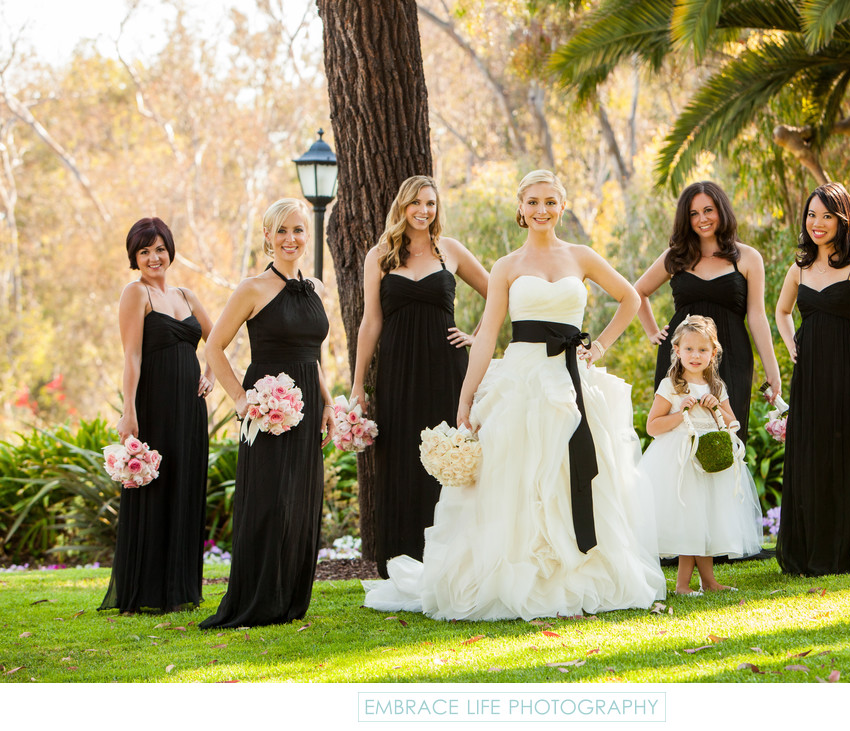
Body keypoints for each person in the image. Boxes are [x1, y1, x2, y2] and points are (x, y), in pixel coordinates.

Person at [363, 170, 665, 620]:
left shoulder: (581, 256)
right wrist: (466, 398)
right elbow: (487, 337)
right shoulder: (506, 266)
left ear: (561, 206)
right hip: (522, 377)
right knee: (516, 475)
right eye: (533, 202)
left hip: (569, 379)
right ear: (520, 209)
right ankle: (519, 572)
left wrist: (598, 346)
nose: (542, 210)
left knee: (573, 474)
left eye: (550, 202)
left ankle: (578, 571)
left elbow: (631, 299)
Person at [199, 199, 336, 629]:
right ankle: (258, 599)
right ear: (267, 237)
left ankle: (290, 600)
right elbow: (214, 347)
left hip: (307, 405)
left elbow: (314, 356)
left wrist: (328, 402)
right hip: (268, 409)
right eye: (282, 231)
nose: (292, 238)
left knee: (300, 502)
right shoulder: (252, 288)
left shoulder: (313, 286)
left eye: (298, 230)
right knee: (269, 504)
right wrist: (242, 400)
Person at [351, 175, 488, 578]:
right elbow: (370, 323)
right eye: (415, 203)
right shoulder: (379, 256)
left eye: (430, 203)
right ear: (402, 206)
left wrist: (475, 336)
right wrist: (358, 384)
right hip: (396, 370)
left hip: (446, 368)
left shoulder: (451, 251)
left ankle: (452, 559)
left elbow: (500, 293)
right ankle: (401, 558)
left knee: (450, 456)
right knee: (401, 456)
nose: (423, 211)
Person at [99, 217, 214, 614]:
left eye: (159, 248)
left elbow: (216, 339)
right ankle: (147, 591)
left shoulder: (187, 295)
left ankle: (180, 588)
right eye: (144, 251)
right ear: (134, 257)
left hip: (190, 410)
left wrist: (211, 374)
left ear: (170, 250)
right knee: (156, 491)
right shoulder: (136, 294)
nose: (153, 257)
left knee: (186, 487)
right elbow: (131, 356)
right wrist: (128, 410)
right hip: (154, 406)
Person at [774, 182, 850, 577]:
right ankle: (808, 553)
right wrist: (790, 344)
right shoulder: (798, 269)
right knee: (812, 455)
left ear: (843, 220)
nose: (817, 224)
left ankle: (846, 552)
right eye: (811, 215)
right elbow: (781, 312)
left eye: (826, 216)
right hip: (810, 375)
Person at [635, 181, 781, 444]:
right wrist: (653, 333)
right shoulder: (675, 256)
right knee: (678, 434)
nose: (702, 219)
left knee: (727, 437)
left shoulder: (747, 258)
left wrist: (772, 369)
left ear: (721, 211)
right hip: (681, 360)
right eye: (693, 213)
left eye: (708, 210)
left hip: (732, 356)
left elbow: (757, 316)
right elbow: (638, 292)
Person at [638, 316, 763, 595]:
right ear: (678, 350)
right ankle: (683, 584)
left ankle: (709, 582)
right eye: (689, 349)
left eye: (703, 350)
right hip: (681, 460)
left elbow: (732, 424)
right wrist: (679, 412)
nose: (696, 355)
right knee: (689, 518)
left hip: (711, 459)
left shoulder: (716, 387)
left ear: (713, 353)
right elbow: (652, 426)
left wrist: (716, 406)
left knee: (705, 518)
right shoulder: (670, 386)